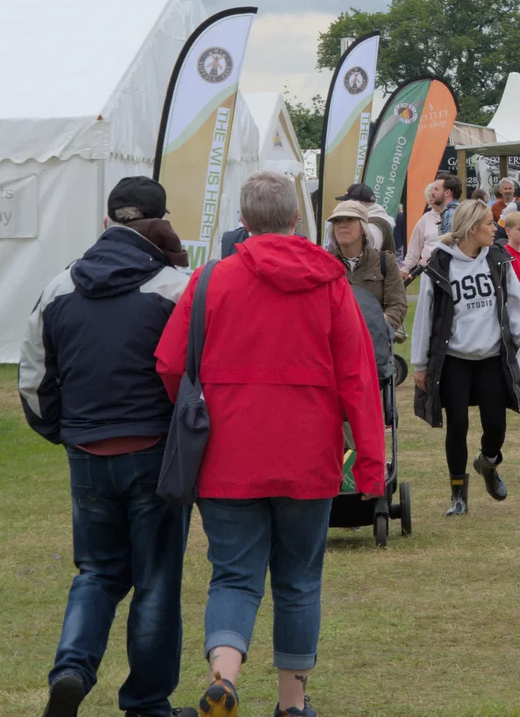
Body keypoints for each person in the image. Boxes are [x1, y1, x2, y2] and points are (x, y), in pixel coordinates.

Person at [155, 171, 383, 717]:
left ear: (243, 219)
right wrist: (372, 466)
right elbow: (359, 378)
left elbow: (168, 363)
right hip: (308, 457)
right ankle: (291, 703)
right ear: (298, 219)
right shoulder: (330, 283)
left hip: (227, 455)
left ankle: (225, 676)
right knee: (299, 580)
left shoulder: (210, 280)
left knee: (233, 574)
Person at [20, 176, 191, 717]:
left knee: (96, 573)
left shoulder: (58, 286)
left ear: (106, 222)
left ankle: (72, 667)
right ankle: (146, 704)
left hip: (88, 451)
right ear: (162, 221)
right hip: (155, 452)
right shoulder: (177, 286)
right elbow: (197, 376)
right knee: (157, 581)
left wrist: (63, 431)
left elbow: (33, 378)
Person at [411, 199, 520, 515]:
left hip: (491, 357)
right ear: (471, 228)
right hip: (454, 359)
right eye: (489, 223)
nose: (494, 229)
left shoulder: (497, 259)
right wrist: (420, 364)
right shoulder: (440, 264)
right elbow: (425, 317)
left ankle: (488, 463)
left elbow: (516, 303)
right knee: (457, 425)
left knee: (495, 425)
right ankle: (458, 496)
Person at [326, 200, 407, 334]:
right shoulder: (324, 263)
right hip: (336, 344)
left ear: (363, 227)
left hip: (375, 344)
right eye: (337, 220)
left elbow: (397, 304)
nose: (342, 225)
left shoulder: (385, 261)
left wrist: (381, 326)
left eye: (350, 219)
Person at [401, 179, 448, 277]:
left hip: (447, 267)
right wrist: (405, 268)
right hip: (428, 269)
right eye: (428, 196)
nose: (430, 198)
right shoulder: (425, 219)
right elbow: (415, 246)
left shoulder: (453, 215)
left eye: (433, 195)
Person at [335, 182, 396, 256]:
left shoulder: (373, 226)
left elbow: (365, 252)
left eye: (346, 203)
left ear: (358, 203)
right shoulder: (376, 221)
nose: (343, 206)